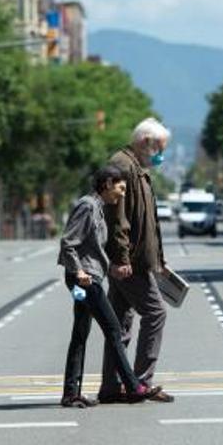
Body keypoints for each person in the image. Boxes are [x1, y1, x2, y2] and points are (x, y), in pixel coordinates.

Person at [57, 165, 159, 408]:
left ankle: (71, 393)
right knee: (114, 330)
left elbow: (92, 249)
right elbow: (68, 242)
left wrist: (112, 268)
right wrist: (79, 271)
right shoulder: (87, 206)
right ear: (107, 183)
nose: (122, 194)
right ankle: (134, 386)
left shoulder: (98, 209)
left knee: (80, 333)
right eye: (120, 188)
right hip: (85, 281)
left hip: (86, 278)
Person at [98, 118, 176, 404]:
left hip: (137, 261)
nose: (160, 155)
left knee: (119, 324)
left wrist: (159, 260)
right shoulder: (122, 166)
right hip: (129, 263)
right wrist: (120, 259)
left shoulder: (137, 168)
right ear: (145, 142)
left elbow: (149, 223)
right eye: (159, 149)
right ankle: (140, 382)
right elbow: (117, 220)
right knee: (156, 313)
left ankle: (111, 386)